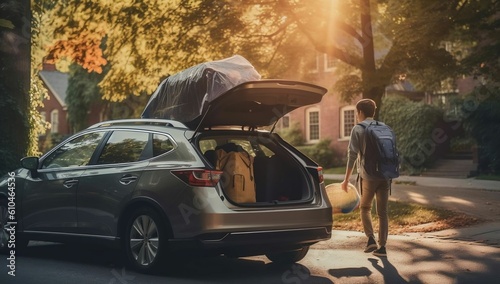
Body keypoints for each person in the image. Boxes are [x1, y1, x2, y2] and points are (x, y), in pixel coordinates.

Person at [341, 98, 389, 257]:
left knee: (365, 207)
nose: (356, 115)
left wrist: (346, 179)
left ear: (360, 112)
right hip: (386, 175)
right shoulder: (384, 127)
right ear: (373, 112)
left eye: (356, 112)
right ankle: (382, 247)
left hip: (368, 176)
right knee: (382, 212)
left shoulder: (358, 129)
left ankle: (370, 239)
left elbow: (352, 155)